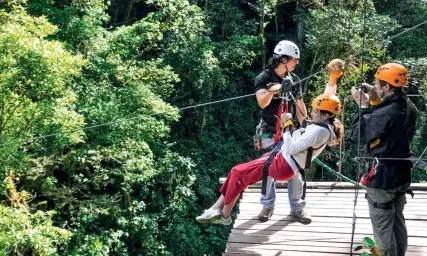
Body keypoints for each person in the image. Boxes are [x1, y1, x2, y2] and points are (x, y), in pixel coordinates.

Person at [196, 93, 344, 225]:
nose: (312, 112)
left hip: (284, 165)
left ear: (325, 116)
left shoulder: (319, 131)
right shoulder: (324, 126)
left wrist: (286, 128)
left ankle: (224, 215)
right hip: (283, 159)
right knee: (237, 171)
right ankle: (216, 208)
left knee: (239, 173)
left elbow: (291, 148)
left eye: (315, 111)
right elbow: (329, 94)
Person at [254, 41, 344, 223]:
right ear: (284, 59)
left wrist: (307, 129)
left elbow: (300, 107)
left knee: (295, 169)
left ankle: (297, 208)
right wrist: (273, 91)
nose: (296, 63)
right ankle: (267, 206)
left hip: (289, 130)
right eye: (294, 60)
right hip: (270, 131)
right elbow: (262, 102)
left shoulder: (294, 79)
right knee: (268, 169)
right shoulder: (263, 78)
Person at [350, 63, 419, 256]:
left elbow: (359, 134)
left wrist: (362, 106)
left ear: (388, 87)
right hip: (402, 173)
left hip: (383, 178)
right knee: (397, 219)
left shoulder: (386, 113)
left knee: (383, 226)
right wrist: (375, 99)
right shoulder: (409, 107)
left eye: (379, 84)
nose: (375, 86)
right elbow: (388, 124)